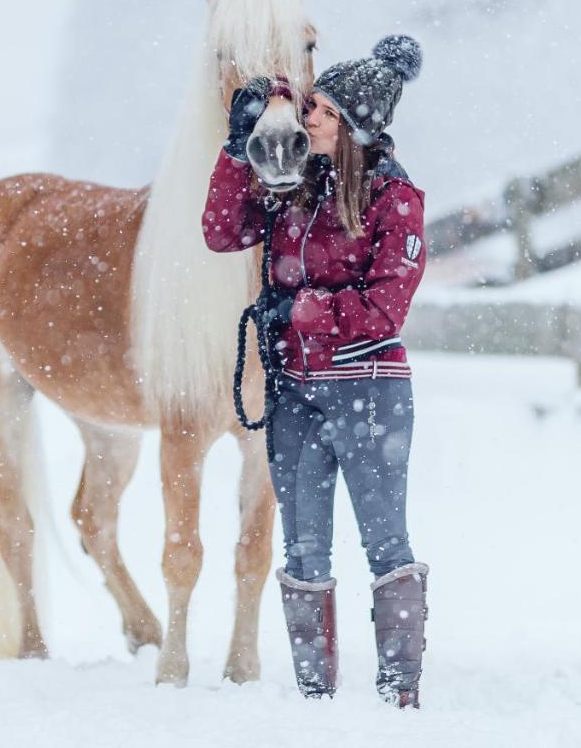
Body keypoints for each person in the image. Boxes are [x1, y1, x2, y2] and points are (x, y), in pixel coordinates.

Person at [202, 35, 429, 708]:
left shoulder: (396, 200)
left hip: (369, 390)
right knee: (303, 553)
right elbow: (220, 230)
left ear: (355, 124)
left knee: (386, 542)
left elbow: (386, 308)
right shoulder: (294, 187)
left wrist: (304, 310)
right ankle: (314, 700)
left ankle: (399, 696)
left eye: (322, 110)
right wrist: (235, 143)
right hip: (295, 394)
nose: (309, 119)